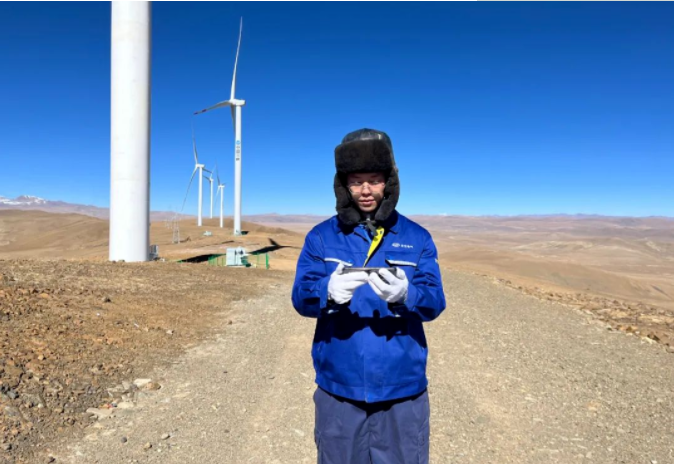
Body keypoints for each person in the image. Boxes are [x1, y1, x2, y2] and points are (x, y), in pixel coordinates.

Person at [292, 128, 446, 463]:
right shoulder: (321, 237)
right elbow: (300, 298)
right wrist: (325, 291)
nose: (365, 190)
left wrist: (408, 294)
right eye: (356, 181)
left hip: (402, 392)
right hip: (339, 392)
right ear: (343, 185)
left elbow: (435, 302)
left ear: (388, 183)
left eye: (374, 180)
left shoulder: (417, 237)